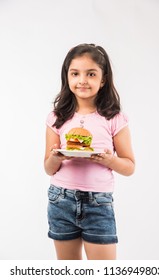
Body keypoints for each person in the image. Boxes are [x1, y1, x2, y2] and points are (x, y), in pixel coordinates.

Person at [44, 43, 135, 260]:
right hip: (60, 200)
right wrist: (56, 156)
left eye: (91, 74)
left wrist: (108, 160)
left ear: (102, 80)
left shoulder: (114, 119)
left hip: (98, 203)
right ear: (67, 77)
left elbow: (129, 166)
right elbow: (48, 168)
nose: (82, 80)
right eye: (75, 73)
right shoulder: (56, 117)